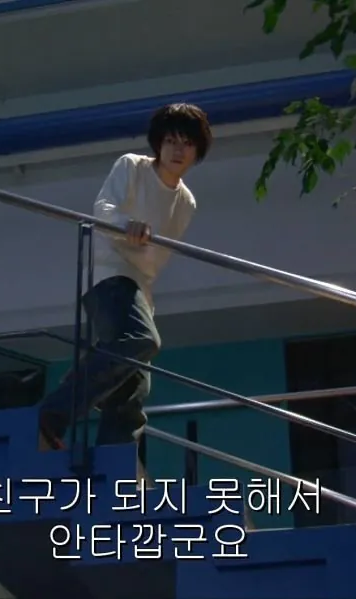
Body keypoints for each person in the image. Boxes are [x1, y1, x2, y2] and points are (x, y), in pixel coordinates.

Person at [37, 103, 213, 450]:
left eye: (187, 143)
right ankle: (52, 412)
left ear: (197, 151)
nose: (178, 150)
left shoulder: (186, 202)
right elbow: (104, 209)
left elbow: (156, 258)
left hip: (139, 288)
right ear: (158, 143)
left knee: (135, 389)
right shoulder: (133, 166)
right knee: (141, 340)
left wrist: (140, 252)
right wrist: (125, 226)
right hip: (109, 273)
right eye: (171, 141)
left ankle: (114, 461)